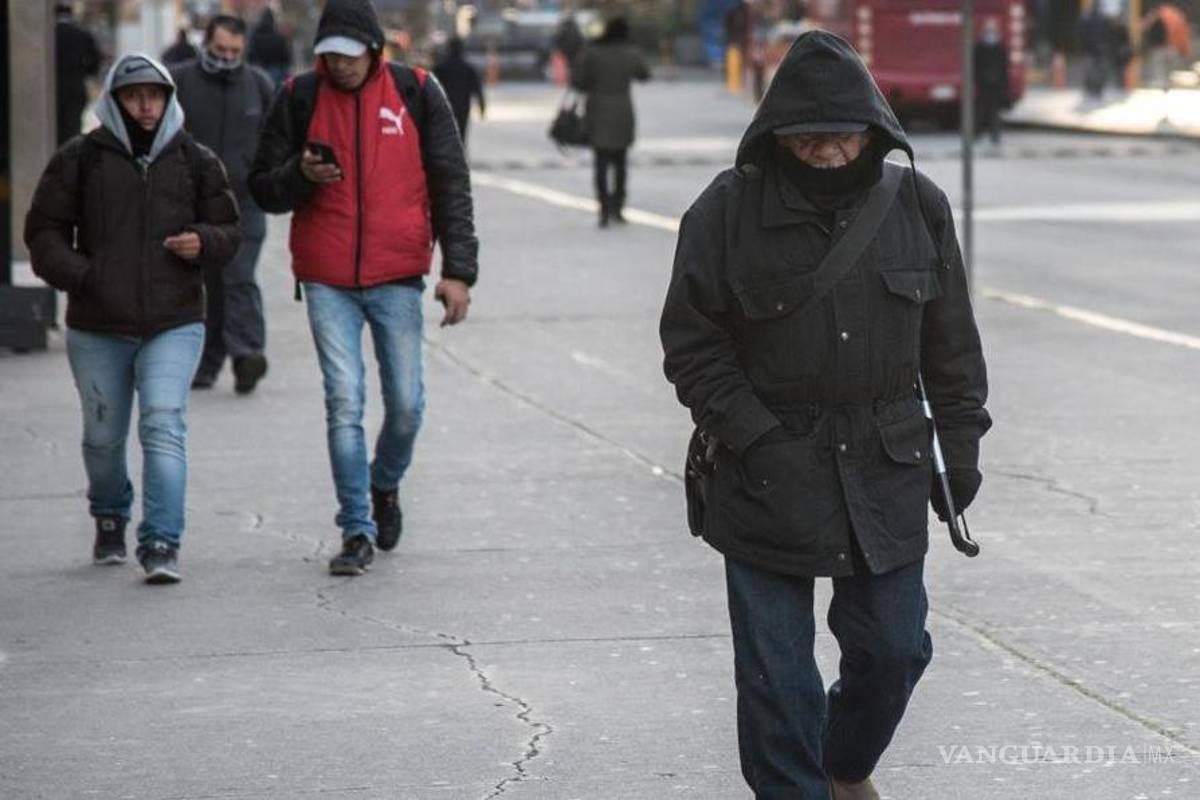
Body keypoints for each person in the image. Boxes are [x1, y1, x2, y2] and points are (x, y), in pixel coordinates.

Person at [660, 31, 990, 799]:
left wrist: (961, 445)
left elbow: (952, 347)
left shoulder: (918, 205)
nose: (829, 154)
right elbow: (692, 345)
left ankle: (842, 767)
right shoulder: (724, 212)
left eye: (843, 137)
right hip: (767, 472)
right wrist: (755, 436)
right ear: (777, 135)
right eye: (808, 140)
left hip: (886, 465)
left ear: (873, 129)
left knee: (894, 652)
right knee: (777, 683)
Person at [249, 0, 478, 577]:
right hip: (326, 277)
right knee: (344, 401)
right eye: (331, 55)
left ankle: (384, 483)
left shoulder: (417, 92)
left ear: (375, 50)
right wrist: (300, 176)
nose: (341, 66)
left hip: (398, 274)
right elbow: (262, 187)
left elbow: (451, 183)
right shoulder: (299, 96)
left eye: (351, 55)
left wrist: (458, 271)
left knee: (405, 406)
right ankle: (355, 529)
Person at [24, 54, 240, 583]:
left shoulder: (195, 159)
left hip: (175, 320)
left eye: (155, 95)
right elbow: (43, 233)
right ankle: (109, 513)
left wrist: (204, 241)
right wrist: (84, 275)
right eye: (134, 95)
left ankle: (162, 540)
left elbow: (230, 230)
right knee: (103, 438)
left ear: (169, 99)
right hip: (97, 324)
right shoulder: (80, 158)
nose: (146, 106)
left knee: (163, 424)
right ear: (114, 100)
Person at [172, 15, 276, 394]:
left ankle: (247, 353)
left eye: (235, 51)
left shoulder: (258, 85)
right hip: (194, 203)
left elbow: (274, 140)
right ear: (206, 44)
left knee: (238, 275)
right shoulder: (180, 81)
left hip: (244, 202)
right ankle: (207, 362)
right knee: (209, 283)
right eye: (220, 50)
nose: (227, 57)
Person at [571, 17, 650, 228]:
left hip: (597, 110)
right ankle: (618, 207)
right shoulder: (630, 53)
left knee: (601, 163)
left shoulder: (592, 53)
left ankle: (603, 209)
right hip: (623, 111)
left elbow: (578, 82)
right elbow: (644, 75)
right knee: (621, 162)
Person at [54, 1, 102, 146]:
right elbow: (96, 60)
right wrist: (84, 72)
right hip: (75, 87)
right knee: (72, 126)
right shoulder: (82, 34)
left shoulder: (49, 35)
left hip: (52, 88)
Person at [433, 38, 486, 146]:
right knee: (461, 133)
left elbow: (431, 90)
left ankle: (448, 153)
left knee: (445, 134)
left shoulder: (440, 68)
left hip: (444, 107)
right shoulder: (468, 68)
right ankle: (459, 152)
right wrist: (482, 106)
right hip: (463, 107)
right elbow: (477, 88)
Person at [974, 18, 1010, 145]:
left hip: (996, 85)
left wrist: (1003, 83)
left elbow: (1004, 67)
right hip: (983, 84)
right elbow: (976, 65)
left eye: (992, 30)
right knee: (981, 110)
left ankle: (995, 135)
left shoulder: (1000, 47)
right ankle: (978, 133)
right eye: (988, 30)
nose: (990, 33)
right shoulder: (979, 47)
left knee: (994, 111)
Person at [247, 7, 293, 85]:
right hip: (276, 71)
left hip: (259, 68)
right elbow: (285, 56)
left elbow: (251, 54)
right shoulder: (279, 37)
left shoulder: (255, 36)